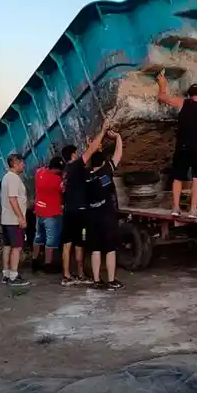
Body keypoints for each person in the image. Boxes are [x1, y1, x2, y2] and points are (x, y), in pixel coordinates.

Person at [156, 72, 197, 219]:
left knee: (178, 177)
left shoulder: (183, 103)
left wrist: (162, 84)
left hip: (183, 147)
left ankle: (176, 208)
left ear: (189, 95)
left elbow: (162, 98)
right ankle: (193, 210)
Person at [59, 120, 110, 286]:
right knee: (80, 243)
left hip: (68, 211)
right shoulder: (75, 166)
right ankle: (80, 274)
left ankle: (66, 276)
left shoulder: (66, 171)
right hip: (80, 211)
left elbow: (86, 165)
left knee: (67, 243)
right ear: (73, 155)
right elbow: (92, 150)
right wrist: (102, 131)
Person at [85, 130, 124, 290]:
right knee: (110, 249)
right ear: (102, 163)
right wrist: (118, 138)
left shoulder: (85, 176)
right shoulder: (106, 170)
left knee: (95, 249)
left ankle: (96, 281)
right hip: (107, 216)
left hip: (92, 216)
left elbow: (85, 160)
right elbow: (118, 154)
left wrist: (91, 147)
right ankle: (111, 280)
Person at [31, 155, 65, 273]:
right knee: (51, 240)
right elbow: (64, 189)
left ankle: (34, 261)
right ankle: (48, 265)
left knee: (39, 237)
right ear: (57, 169)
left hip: (39, 211)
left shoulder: (39, 172)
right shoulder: (56, 180)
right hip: (51, 213)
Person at [0, 153, 29, 286]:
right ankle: (14, 276)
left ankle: (6, 274)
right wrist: (21, 217)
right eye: (22, 162)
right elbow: (13, 199)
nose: (24, 165)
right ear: (15, 163)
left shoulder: (6, 177)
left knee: (7, 246)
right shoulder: (13, 179)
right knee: (16, 248)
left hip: (6, 219)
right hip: (13, 220)